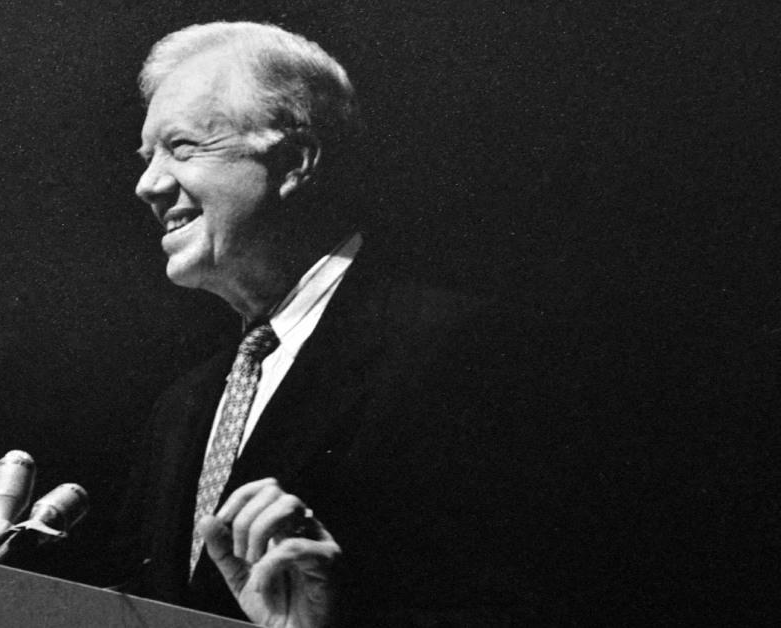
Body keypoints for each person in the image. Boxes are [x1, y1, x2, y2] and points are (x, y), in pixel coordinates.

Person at [116, 20, 666, 627]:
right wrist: (14, 582)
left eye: (183, 147)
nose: (149, 185)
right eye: (147, 158)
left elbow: (539, 597)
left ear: (296, 161)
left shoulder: (467, 351)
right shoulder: (183, 404)